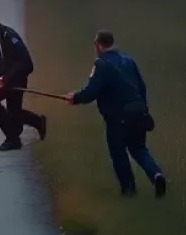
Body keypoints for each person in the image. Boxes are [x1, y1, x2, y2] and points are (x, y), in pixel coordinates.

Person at [63, 30, 167, 197]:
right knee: (139, 148)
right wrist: (144, 109)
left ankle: (129, 190)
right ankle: (156, 175)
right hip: (138, 111)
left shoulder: (101, 64)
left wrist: (75, 98)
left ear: (98, 45)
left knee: (118, 151)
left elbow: (92, 90)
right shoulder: (129, 60)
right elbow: (142, 87)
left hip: (119, 116)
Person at [0, 11, 47, 151]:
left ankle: (13, 139)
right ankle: (35, 122)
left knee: (3, 107)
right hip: (1, 79)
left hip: (15, 79)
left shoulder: (9, 36)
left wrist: (6, 78)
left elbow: (25, 63)